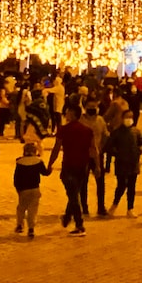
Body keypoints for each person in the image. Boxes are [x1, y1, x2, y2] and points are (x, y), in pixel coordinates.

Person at [47, 101, 97, 236]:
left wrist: (50, 163)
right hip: (83, 166)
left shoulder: (63, 130)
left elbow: (56, 148)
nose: (66, 114)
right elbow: (93, 149)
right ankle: (67, 217)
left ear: (73, 114)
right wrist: (97, 166)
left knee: (73, 195)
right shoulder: (87, 131)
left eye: (68, 111)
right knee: (74, 193)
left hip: (69, 166)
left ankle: (79, 225)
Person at [109, 111, 142, 217]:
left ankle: (130, 208)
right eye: (127, 117)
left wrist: (139, 150)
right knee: (121, 185)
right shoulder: (117, 132)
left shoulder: (136, 131)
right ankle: (114, 205)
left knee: (132, 187)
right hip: (121, 163)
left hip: (133, 163)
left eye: (131, 117)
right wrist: (118, 153)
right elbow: (110, 146)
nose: (129, 119)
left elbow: (141, 143)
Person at [14, 140, 51, 237]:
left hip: (23, 189)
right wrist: (50, 169)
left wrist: (18, 189)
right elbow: (45, 173)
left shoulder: (20, 162)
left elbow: (16, 178)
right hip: (35, 188)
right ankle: (31, 228)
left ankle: (20, 224)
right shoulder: (38, 161)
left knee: (21, 208)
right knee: (33, 209)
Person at [80, 99, 109, 217]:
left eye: (94, 106)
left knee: (100, 182)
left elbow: (105, 134)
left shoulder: (100, 120)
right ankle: (84, 207)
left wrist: (102, 146)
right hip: (83, 154)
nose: (92, 108)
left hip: (97, 154)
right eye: (90, 106)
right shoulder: (80, 120)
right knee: (83, 182)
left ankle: (101, 207)